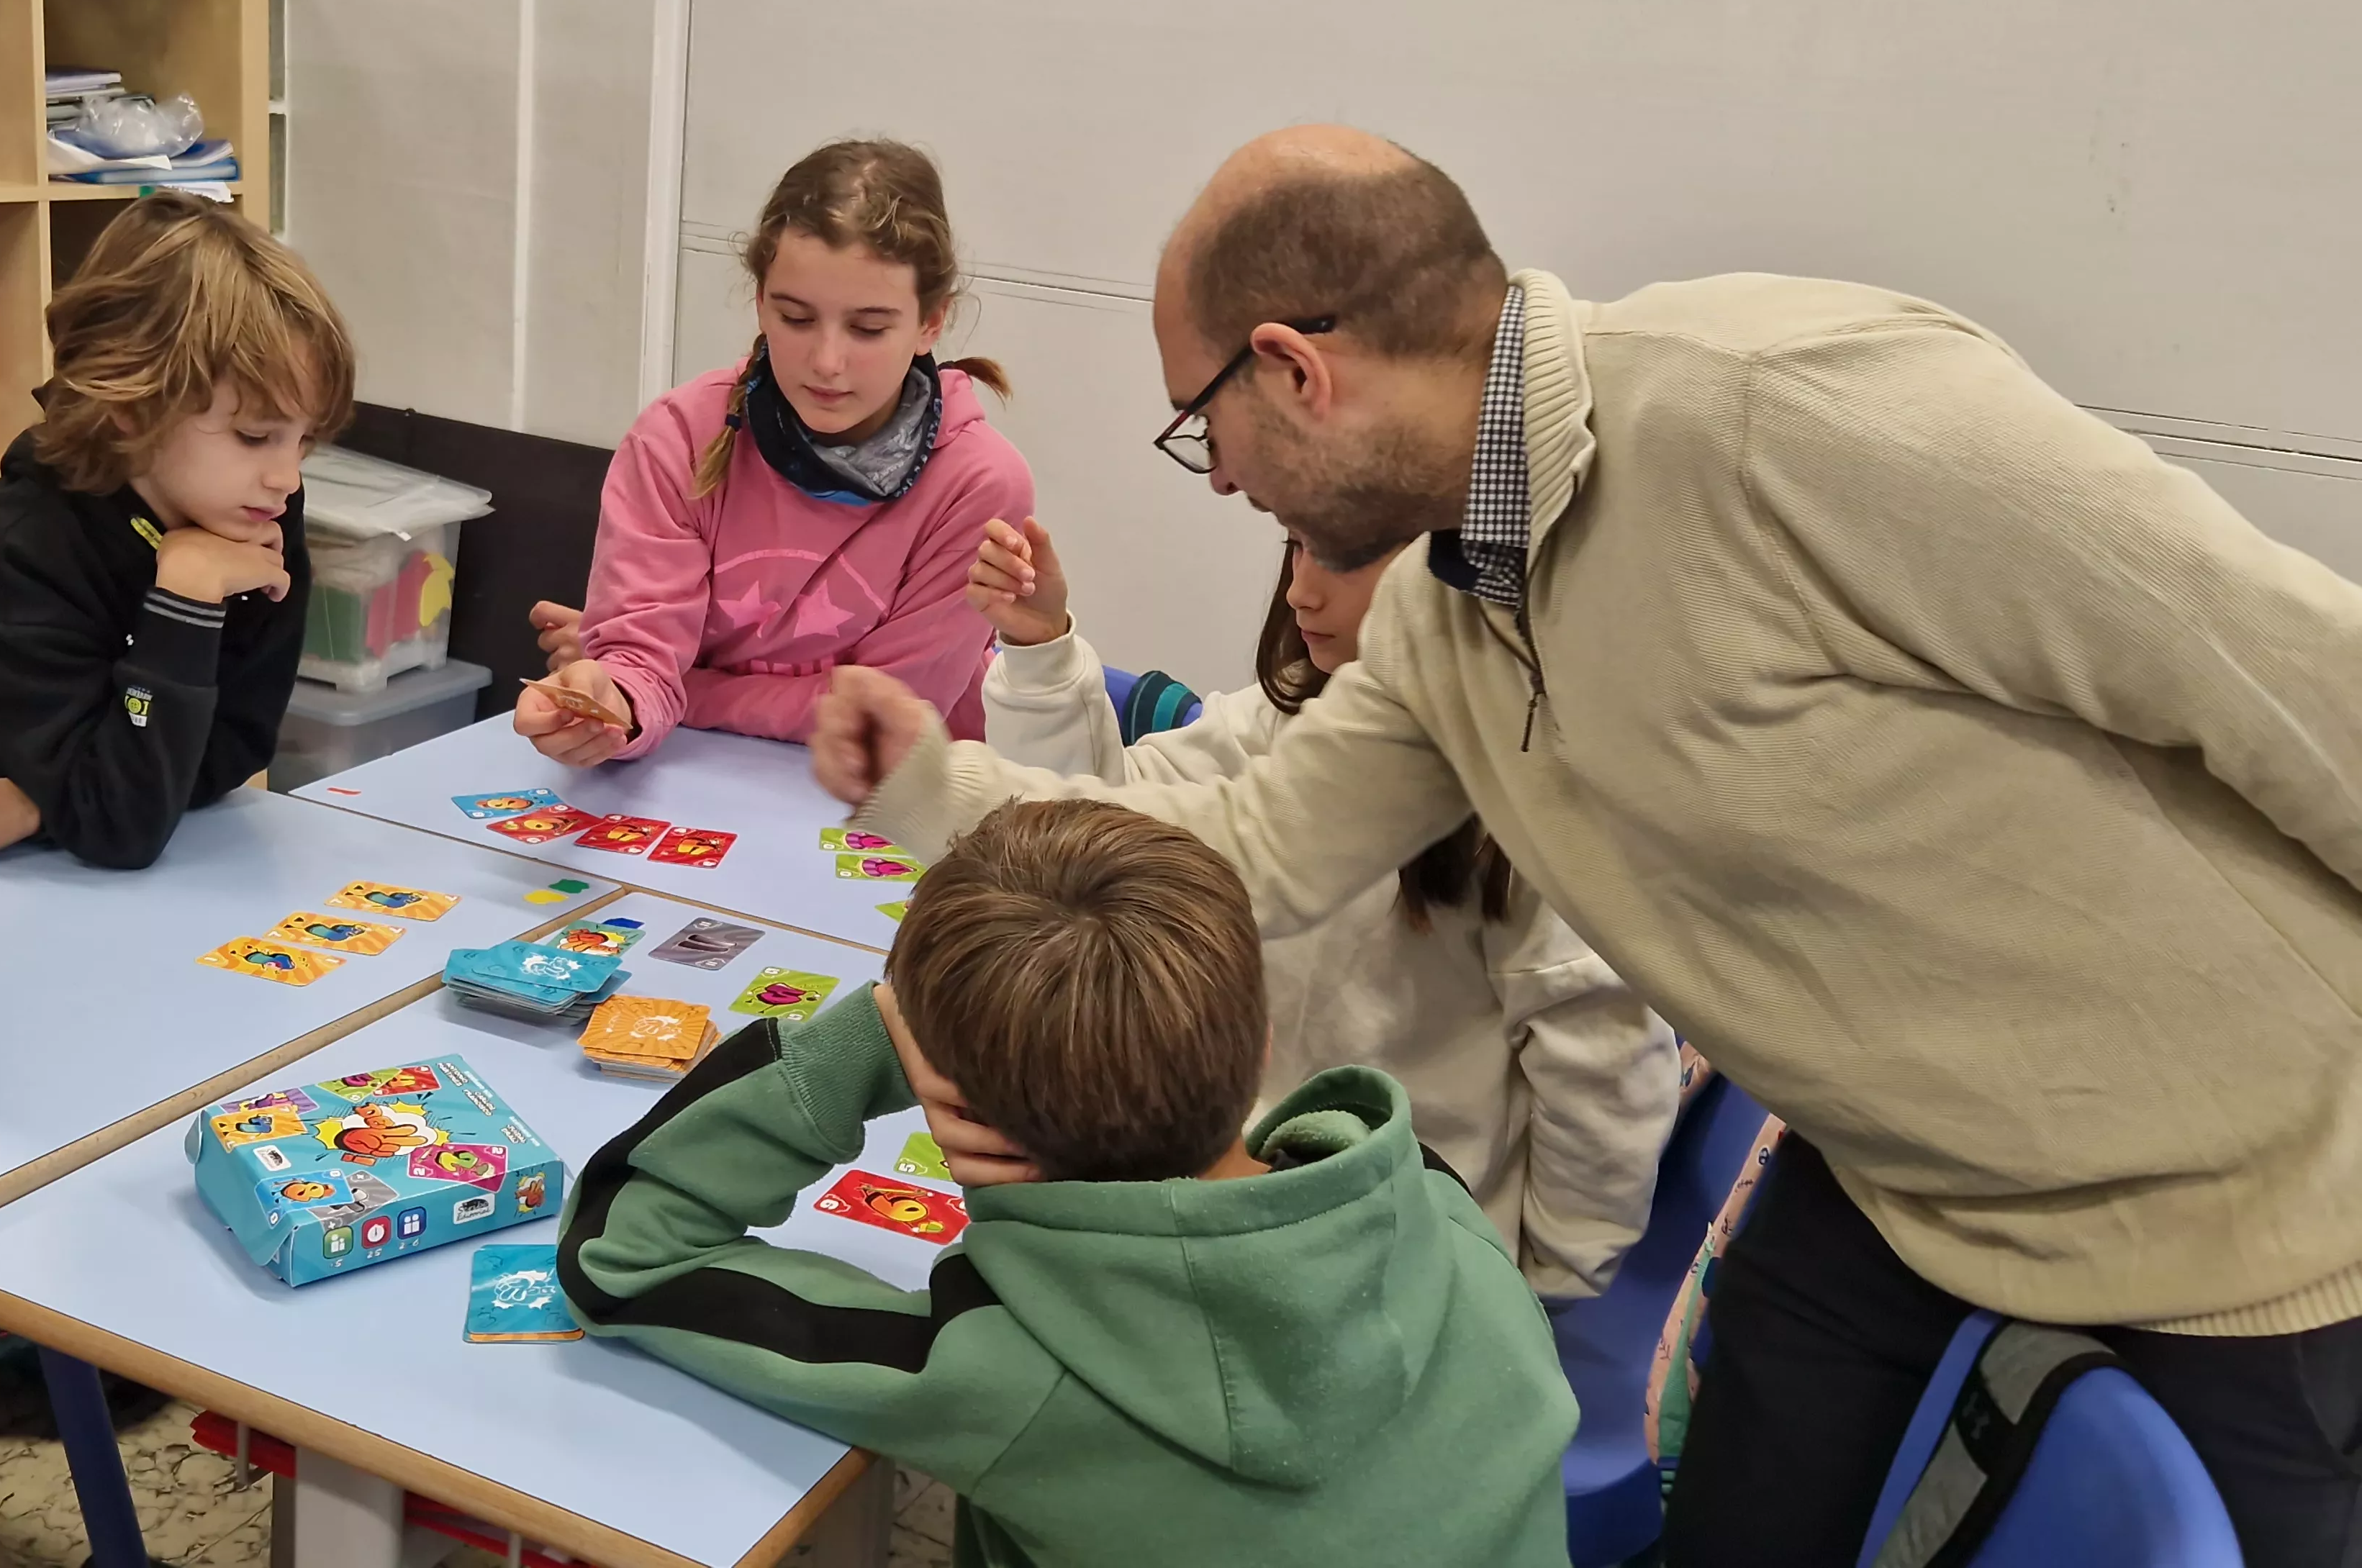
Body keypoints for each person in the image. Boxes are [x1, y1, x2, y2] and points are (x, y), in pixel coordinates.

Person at [810, 127, 2362, 1567]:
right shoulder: (1443, 609)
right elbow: (1244, 846)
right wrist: (933, 788)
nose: (1216, 478)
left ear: (1290, 372)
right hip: (1896, 1175)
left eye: (1200, 424)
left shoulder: (1791, 410)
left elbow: (2297, 680)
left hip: (2243, 1207)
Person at [560, 797, 1574, 1567]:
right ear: (1263, 1042)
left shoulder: (996, 1373)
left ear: (958, 1108)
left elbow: (623, 1253)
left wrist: (875, 1033)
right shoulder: (1437, 1205)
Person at [966, 514, 1675, 1300]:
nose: (1301, 589)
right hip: (1229, 1204)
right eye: (1296, 547)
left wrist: (1533, 1290)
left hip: (1401, 1255)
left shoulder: (1549, 817)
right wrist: (1039, 651)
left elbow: (1605, 1083)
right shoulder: (1284, 720)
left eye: (1343, 556)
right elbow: (1086, 833)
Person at [0, 192, 353, 872]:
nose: (286, 477)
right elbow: (124, 829)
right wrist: (185, 604)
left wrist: (21, 808)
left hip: (39, 856)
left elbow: (234, 745)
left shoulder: (252, 508)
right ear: (133, 411)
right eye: (256, 436)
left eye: (304, 440)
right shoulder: (22, 545)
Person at [515, 139, 1033, 767]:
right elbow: (638, 664)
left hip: (894, 805)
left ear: (931, 322)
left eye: (869, 329)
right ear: (760, 300)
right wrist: (613, 699)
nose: (827, 362)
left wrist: (685, 689)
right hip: (701, 781)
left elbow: (885, 717)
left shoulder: (979, 482)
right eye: (795, 318)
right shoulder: (677, 437)